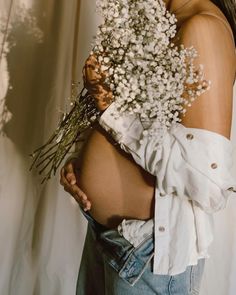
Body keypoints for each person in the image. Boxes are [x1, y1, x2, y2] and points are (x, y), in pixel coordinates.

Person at [60, 0, 236, 294]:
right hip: (110, 241)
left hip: (147, 262)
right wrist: (81, 159)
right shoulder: (157, 21)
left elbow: (209, 182)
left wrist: (110, 108)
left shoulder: (203, 28)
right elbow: (139, 126)